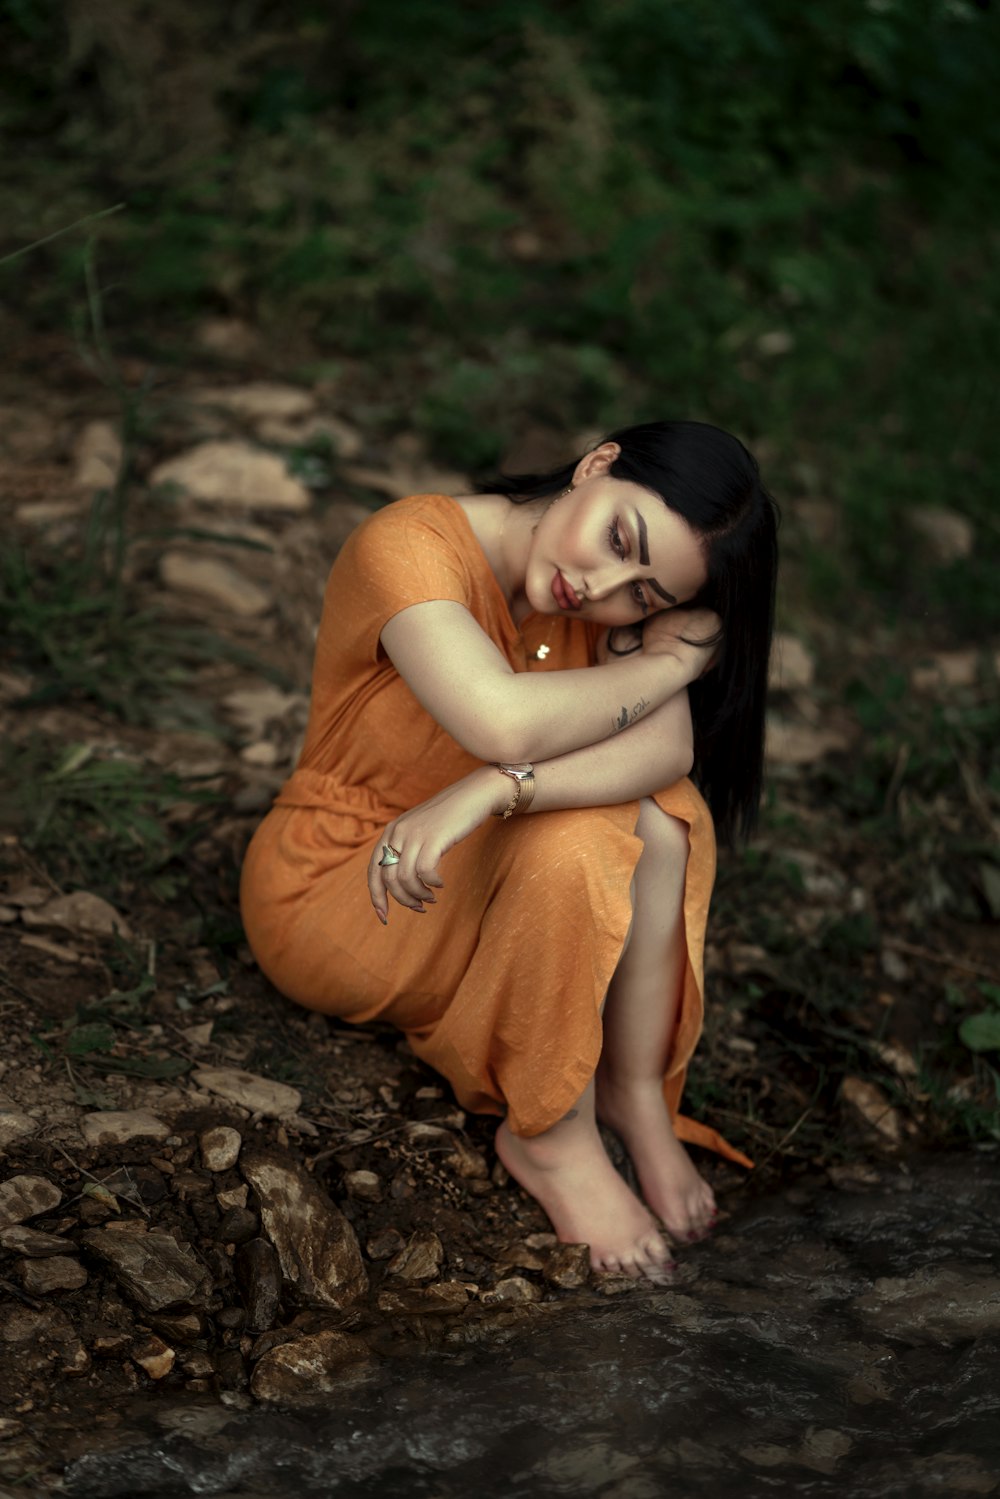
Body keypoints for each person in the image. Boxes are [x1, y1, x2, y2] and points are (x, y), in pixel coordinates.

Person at [240, 419, 778, 1285]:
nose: (601, 586)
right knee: (583, 831)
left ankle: (633, 1090)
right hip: (343, 883)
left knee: (657, 812)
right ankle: (552, 1136)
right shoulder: (410, 543)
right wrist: (668, 666)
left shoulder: (594, 595)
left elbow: (666, 753)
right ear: (597, 463)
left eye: (644, 596)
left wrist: (494, 789)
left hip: (459, 863)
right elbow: (500, 720)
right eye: (616, 538)